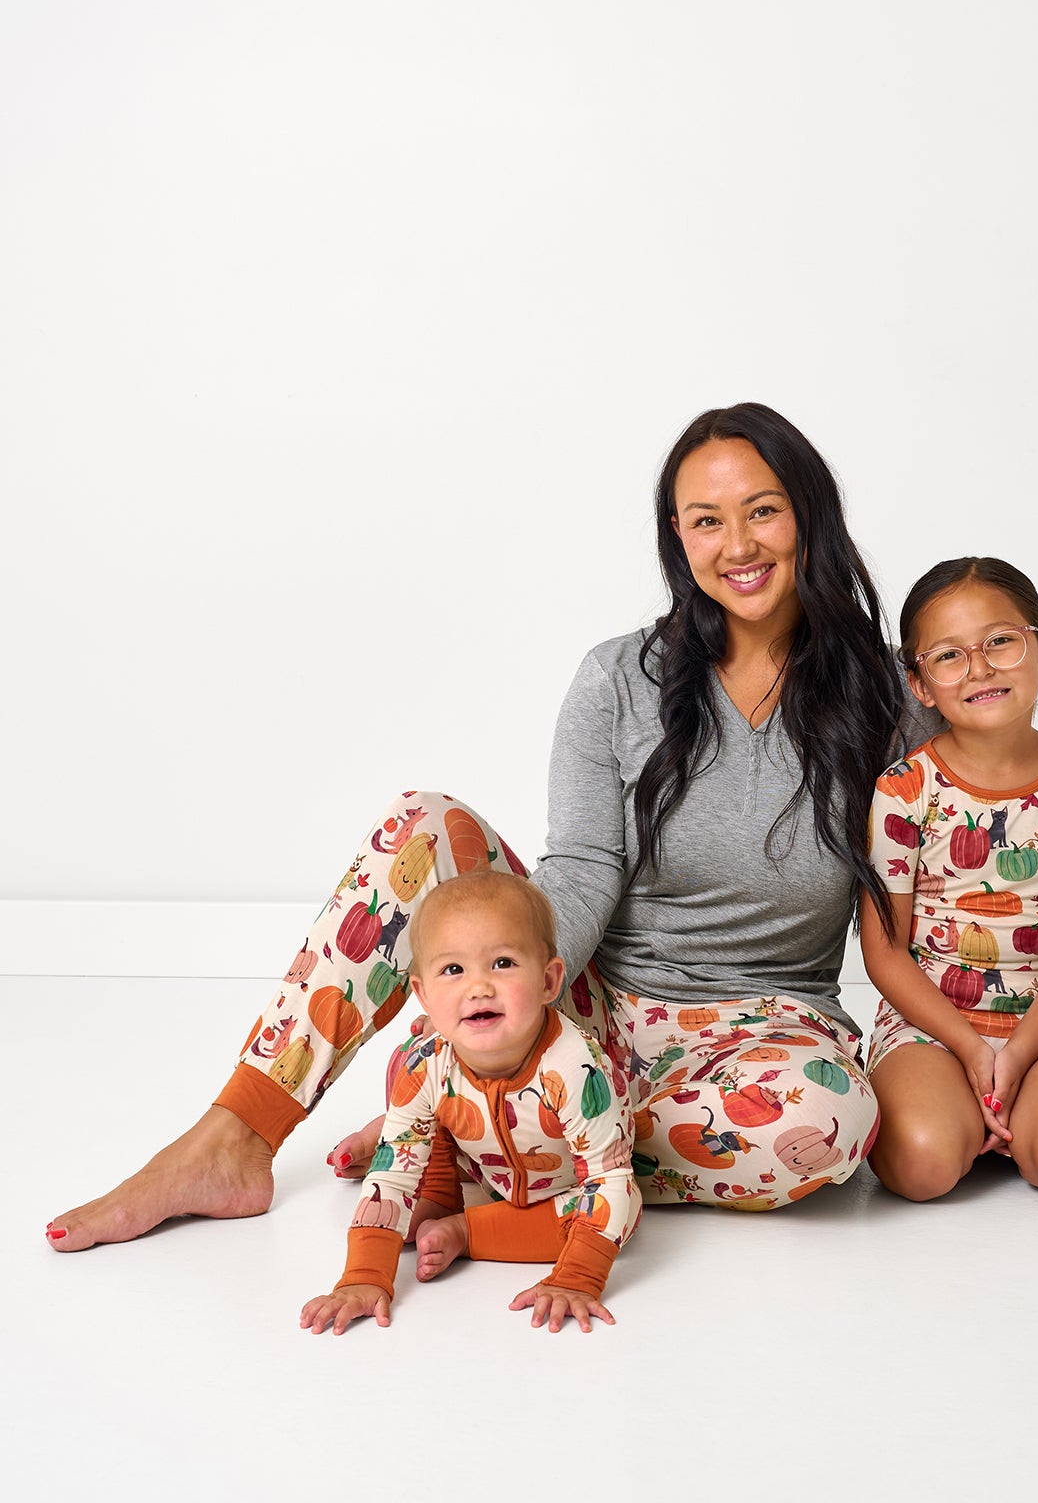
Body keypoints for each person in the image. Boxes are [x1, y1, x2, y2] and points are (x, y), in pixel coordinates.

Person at [47, 402, 930, 1250]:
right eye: (706, 521)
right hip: (584, 1004)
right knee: (423, 826)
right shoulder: (619, 677)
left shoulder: (893, 698)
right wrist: (517, 1012)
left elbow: (943, 890)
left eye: (763, 511)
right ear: (677, 536)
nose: (737, 545)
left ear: (810, 514)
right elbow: (582, 869)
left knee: (831, 1124)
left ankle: (476, 1127)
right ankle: (237, 1137)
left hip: (762, 1034)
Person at [859, 556, 1038, 1205]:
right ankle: (958, 1112)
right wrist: (970, 1050)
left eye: (1000, 641)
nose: (978, 668)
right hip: (927, 1025)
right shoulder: (902, 790)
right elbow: (884, 953)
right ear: (920, 684)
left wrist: (1017, 1053)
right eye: (948, 656)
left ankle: (1017, 1117)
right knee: (920, 1166)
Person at [300, 871, 640, 1336]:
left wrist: (577, 1279)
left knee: (619, 1212)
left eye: (502, 963)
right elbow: (391, 1176)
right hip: (485, 1164)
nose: (479, 986)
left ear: (548, 981)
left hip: (568, 1190)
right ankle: (440, 1196)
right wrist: (363, 1276)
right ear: (423, 995)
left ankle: (468, 1231)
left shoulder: (576, 1068)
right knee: (417, 1105)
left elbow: (607, 1180)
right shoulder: (427, 1062)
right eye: (453, 970)